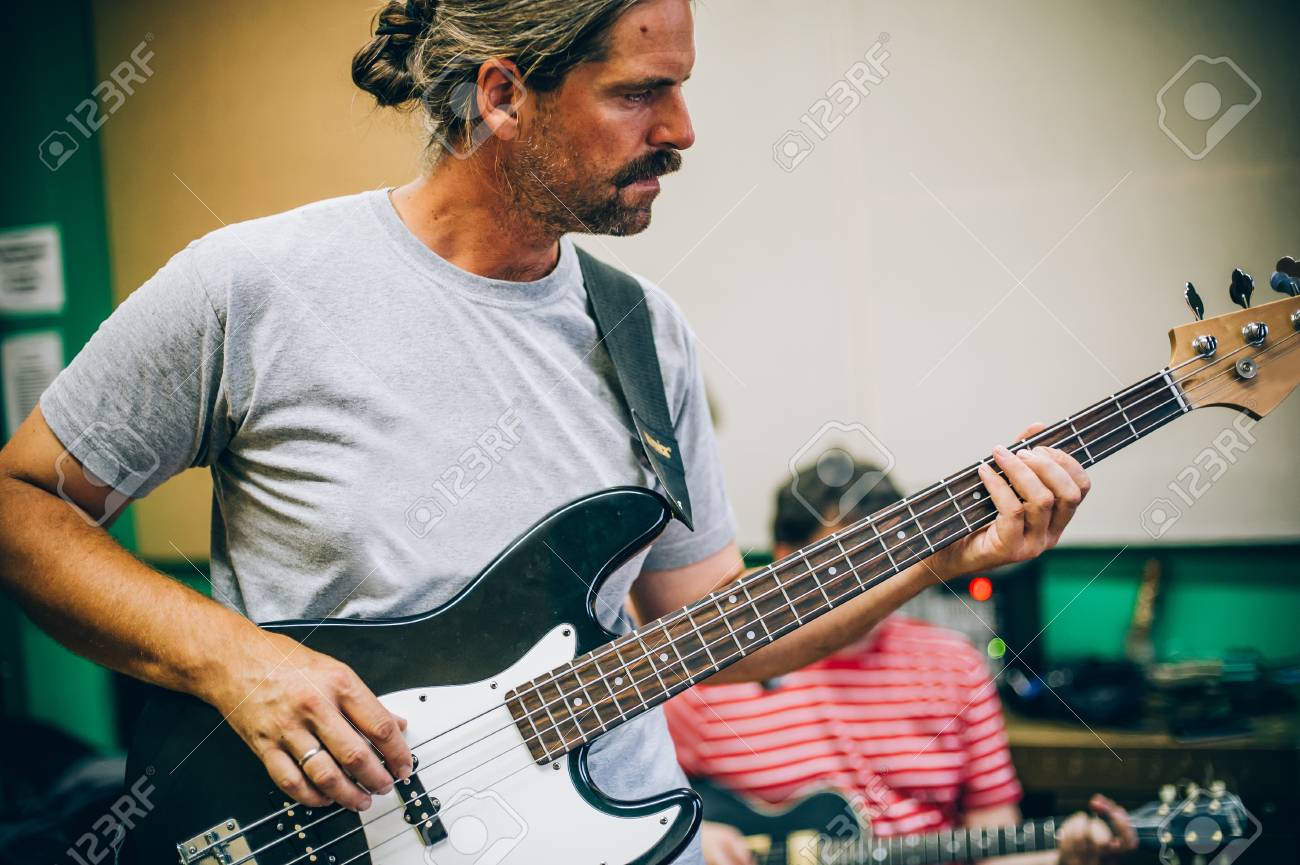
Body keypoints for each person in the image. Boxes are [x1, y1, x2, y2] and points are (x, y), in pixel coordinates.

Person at [0, 3, 1093, 863]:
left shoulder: (644, 333)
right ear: (504, 94)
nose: (682, 130)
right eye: (641, 92)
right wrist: (235, 660)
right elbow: (21, 504)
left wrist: (935, 557)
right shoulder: (256, 286)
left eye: (681, 89)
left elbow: (717, 631)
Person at [664, 454, 1136, 865]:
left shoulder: (957, 667)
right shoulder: (712, 679)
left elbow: (996, 839)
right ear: (785, 559)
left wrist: (1063, 857)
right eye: (843, 559)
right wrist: (697, 837)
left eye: (883, 557)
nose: (867, 579)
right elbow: (642, 813)